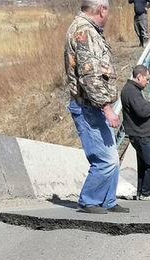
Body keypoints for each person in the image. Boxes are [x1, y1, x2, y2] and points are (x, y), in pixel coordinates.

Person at [64, 0, 129, 214]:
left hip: (94, 105)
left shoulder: (86, 29)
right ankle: (89, 199)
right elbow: (89, 75)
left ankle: (107, 200)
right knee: (105, 159)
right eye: (107, 10)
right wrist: (106, 107)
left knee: (113, 158)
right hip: (89, 106)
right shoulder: (85, 32)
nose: (108, 14)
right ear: (101, 9)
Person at [121, 65, 150, 201]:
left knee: (144, 166)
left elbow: (141, 108)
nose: (148, 82)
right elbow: (142, 111)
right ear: (139, 77)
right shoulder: (131, 91)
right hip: (141, 135)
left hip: (138, 134)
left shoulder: (132, 90)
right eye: (147, 79)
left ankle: (141, 193)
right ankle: (146, 193)